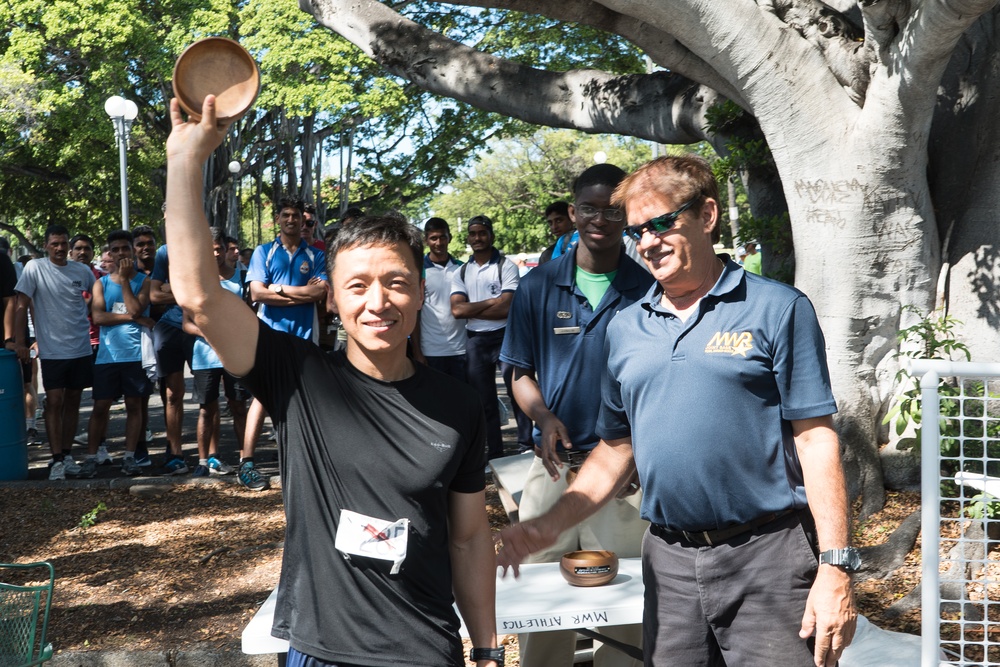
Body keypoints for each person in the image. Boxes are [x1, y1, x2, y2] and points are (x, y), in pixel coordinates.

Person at [164, 94, 501, 667]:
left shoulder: (459, 405)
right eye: (358, 286)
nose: (379, 302)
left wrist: (488, 649)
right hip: (320, 649)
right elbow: (198, 295)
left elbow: (468, 541)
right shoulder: (296, 375)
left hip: (425, 649)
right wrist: (186, 161)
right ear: (333, 300)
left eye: (396, 282)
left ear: (421, 292)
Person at [498, 155, 858, 667]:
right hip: (668, 561)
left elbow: (815, 438)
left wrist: (836, 566)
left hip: (769, 558)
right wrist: (546, 525)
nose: (647, 242)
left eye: (662, 223)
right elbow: (616, 446)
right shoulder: (625, 328)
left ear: (707, 216)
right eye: (639, 231)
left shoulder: (777, 308)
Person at [500, 164, 653, 667]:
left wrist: (639, 452)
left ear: (628, 215)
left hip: (625, 480)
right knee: (539, 603)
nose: (601, 219)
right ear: (572, 213)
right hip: (554, 470)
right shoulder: (538, 286)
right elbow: (518, 372)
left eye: (614, 209)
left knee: (627, 607)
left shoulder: (649, 288)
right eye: (589, 208)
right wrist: (542, 416)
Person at [241, 196, 327, 491]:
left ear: (304, 222)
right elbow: (257, 294)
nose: (292, 220)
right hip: (269, 335)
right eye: (286, 215)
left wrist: (276, 288)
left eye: (297, 217)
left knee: (303, 397)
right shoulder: (264, 253)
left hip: (305, 337)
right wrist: (299, 291)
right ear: (278, 218)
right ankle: (247, 463)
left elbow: (319, 295)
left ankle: (301, 464)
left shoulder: (315, 255)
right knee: (261, 398)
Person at [9, 225, 96, 480]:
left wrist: (89, 311)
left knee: (73, 401)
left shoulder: (82, 270)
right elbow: (21, 304)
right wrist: (21, 343)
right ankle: (56, 458)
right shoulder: (34, 268)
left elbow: (97, 296)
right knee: (54, 401)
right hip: (52, 349)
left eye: (63, 243)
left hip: (80, 347)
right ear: (46, 245)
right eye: (54, 243)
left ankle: (67, 456)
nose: (60, 248)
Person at [450, 215, 529, 459]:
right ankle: (495, 454)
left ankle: (526, 446)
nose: (477, 238)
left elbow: (507, 308)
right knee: (484, 401)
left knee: (519, 393)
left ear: (491, 236)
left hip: (506, 336)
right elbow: (457, 311)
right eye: (472, 234)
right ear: (468, 238)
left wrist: (476, 307)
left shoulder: (506, 266)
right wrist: (493, 301)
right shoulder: (462, 271)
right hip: (475, 341)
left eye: (482, 233)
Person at [78, 230, 154, 478]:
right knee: (100, 406)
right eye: (116, 249)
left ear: (131, 250)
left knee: (135, 406)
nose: (121, 253)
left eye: (125, 248)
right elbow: (99, 317)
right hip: (107, 357)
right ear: (110, 252)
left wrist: (123, 282)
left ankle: (130, 457)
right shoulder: (100, 283)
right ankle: (91, 458)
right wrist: (135, 318)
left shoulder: (143, 281)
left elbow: (135, 306)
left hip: (135, 355)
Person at [182, 228, 245, 478]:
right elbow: (186, 323)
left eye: (218, 248)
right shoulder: (193, 280)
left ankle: (245, 459)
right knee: (207, 409)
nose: (215, 253)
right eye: (209, 249)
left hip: (234, 354)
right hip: (204, 356)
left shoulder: (241, 278)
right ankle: (203, 461)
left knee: (238, 406)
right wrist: (208, 335)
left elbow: (249, 315)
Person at [412, 217, 467, 382]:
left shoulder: (462, 268)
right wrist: (417, 352)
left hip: (461, 350)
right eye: (433, 238)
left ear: (449, 237)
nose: (439, 242)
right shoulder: (418, 270)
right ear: (426, 240)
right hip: (431, 351)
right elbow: (414, 313)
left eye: (443, 237)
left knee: (462, 401)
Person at [537, 201, 573, 265]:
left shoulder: (585, 247)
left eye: (559, 221)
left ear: (571, 218)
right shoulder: (547, 255)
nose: (554, 227)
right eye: (550, 223)